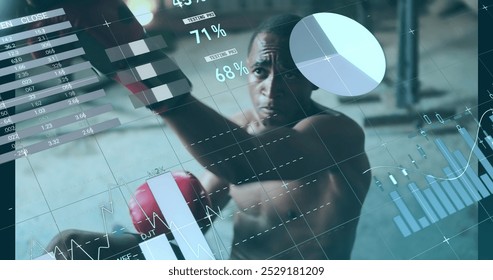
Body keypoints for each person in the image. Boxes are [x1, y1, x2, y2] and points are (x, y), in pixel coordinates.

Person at [29, 0, 370, 260]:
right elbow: (184, 236)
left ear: (315, 80)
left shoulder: (337, 134)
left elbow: (244, 165)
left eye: (292, 74)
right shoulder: (240, 129)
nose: (272, 87)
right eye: (260, 71)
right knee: (68, 247)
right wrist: (100, 247)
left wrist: (134, 61)